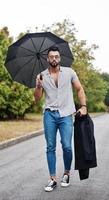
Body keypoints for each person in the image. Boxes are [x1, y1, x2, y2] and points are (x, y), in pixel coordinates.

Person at [34, 46, 87, 192]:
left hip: (66, 115)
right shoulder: (41, 76)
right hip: (49, 114)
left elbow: (79, 89)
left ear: (60, 58)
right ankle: (52, 179)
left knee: (67, 146)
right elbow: (37, 99)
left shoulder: (69, 72)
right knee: (50, 147)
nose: (54, 59)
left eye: (56, 56)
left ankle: (66, 173)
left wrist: (83, 106)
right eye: (51, 57)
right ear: (47, 59)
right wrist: (38, 86)